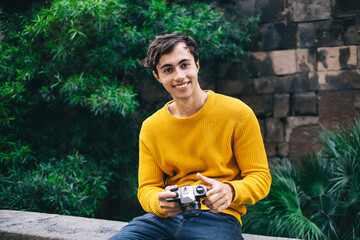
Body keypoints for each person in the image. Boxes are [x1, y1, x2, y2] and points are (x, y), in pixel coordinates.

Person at [109, 33, 271, 240]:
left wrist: (230, 190)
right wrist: (158, 201)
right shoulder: (151, 127)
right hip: (163, 220)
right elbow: (147, 188)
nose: (178, 76)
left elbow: (261, 178)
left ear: (197, 64)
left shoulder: (238, 113)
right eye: (168, 69)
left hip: (218, 217)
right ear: (157, 76)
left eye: (184, 65)